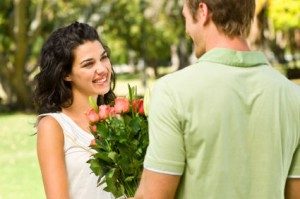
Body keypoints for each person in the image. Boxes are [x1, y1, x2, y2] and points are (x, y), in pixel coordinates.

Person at [133, 0, 300, 198]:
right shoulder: (293, 96)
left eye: (186, 18)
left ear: (203, 12)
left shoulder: (172, 92)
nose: (187, 30)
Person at [33, 21, 116, 199]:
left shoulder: (118, 116)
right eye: (88, 64)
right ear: (66, 74)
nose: (102, 69)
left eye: (103, 57)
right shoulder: (53, 126)